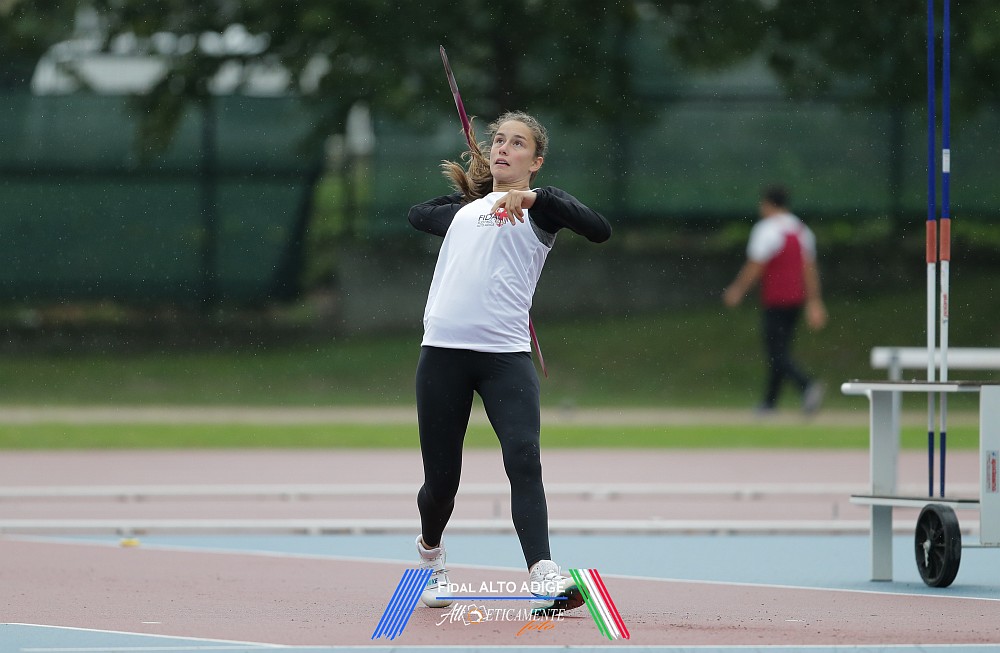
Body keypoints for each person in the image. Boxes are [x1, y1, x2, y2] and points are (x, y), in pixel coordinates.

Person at [407, 110, 611, 614]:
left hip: (505, 357)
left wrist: (535, 198)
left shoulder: (542, 211)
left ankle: (543, 572)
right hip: (443, 356)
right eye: (498, 140)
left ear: (535, 161)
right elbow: (416, 213)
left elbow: (599, 229)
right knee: (442, 484)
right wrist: (479, 197)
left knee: (524, 457)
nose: (503, 148)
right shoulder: (460, 213)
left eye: (517, 143)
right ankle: (430, 553)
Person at [722, 184, 827, 415]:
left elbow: (755, 265)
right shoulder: (801, 229)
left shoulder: (767, 230)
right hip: (795, 300)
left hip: (776, 299)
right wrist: (814, 301)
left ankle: (807, 385)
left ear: (768, 204)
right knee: (781, 351)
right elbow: (809, 268)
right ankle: (769, 403)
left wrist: (738, 289)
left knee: (776, 353)